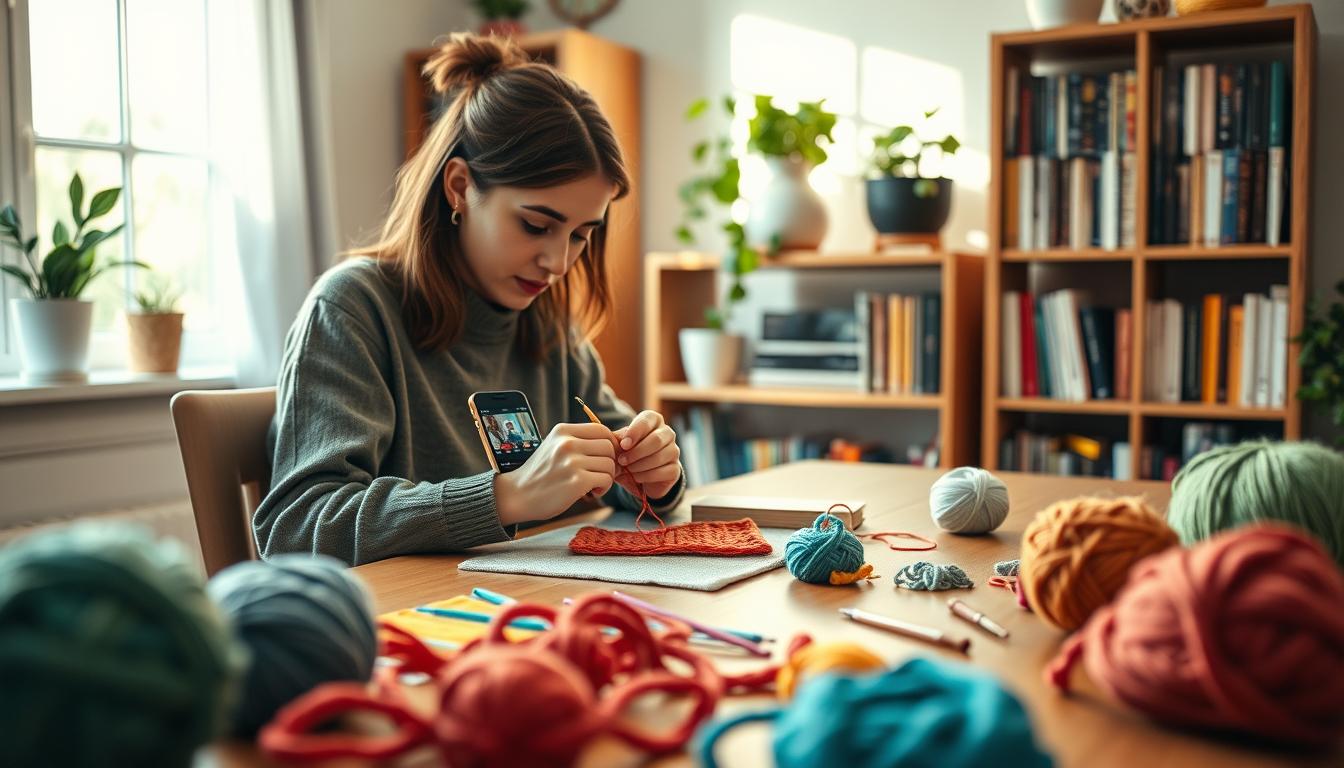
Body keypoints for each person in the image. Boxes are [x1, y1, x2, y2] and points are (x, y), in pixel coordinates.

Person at [255, 33, 684, 565]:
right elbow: (297, 527)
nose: (558, 263)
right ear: (459, 187)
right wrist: (506, 495)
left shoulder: (550, 329)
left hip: (520, 610)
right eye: (535, 225)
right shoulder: (353, 309)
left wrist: (653, 474)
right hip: (397, 628)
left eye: (580, 234)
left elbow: (625, 481)